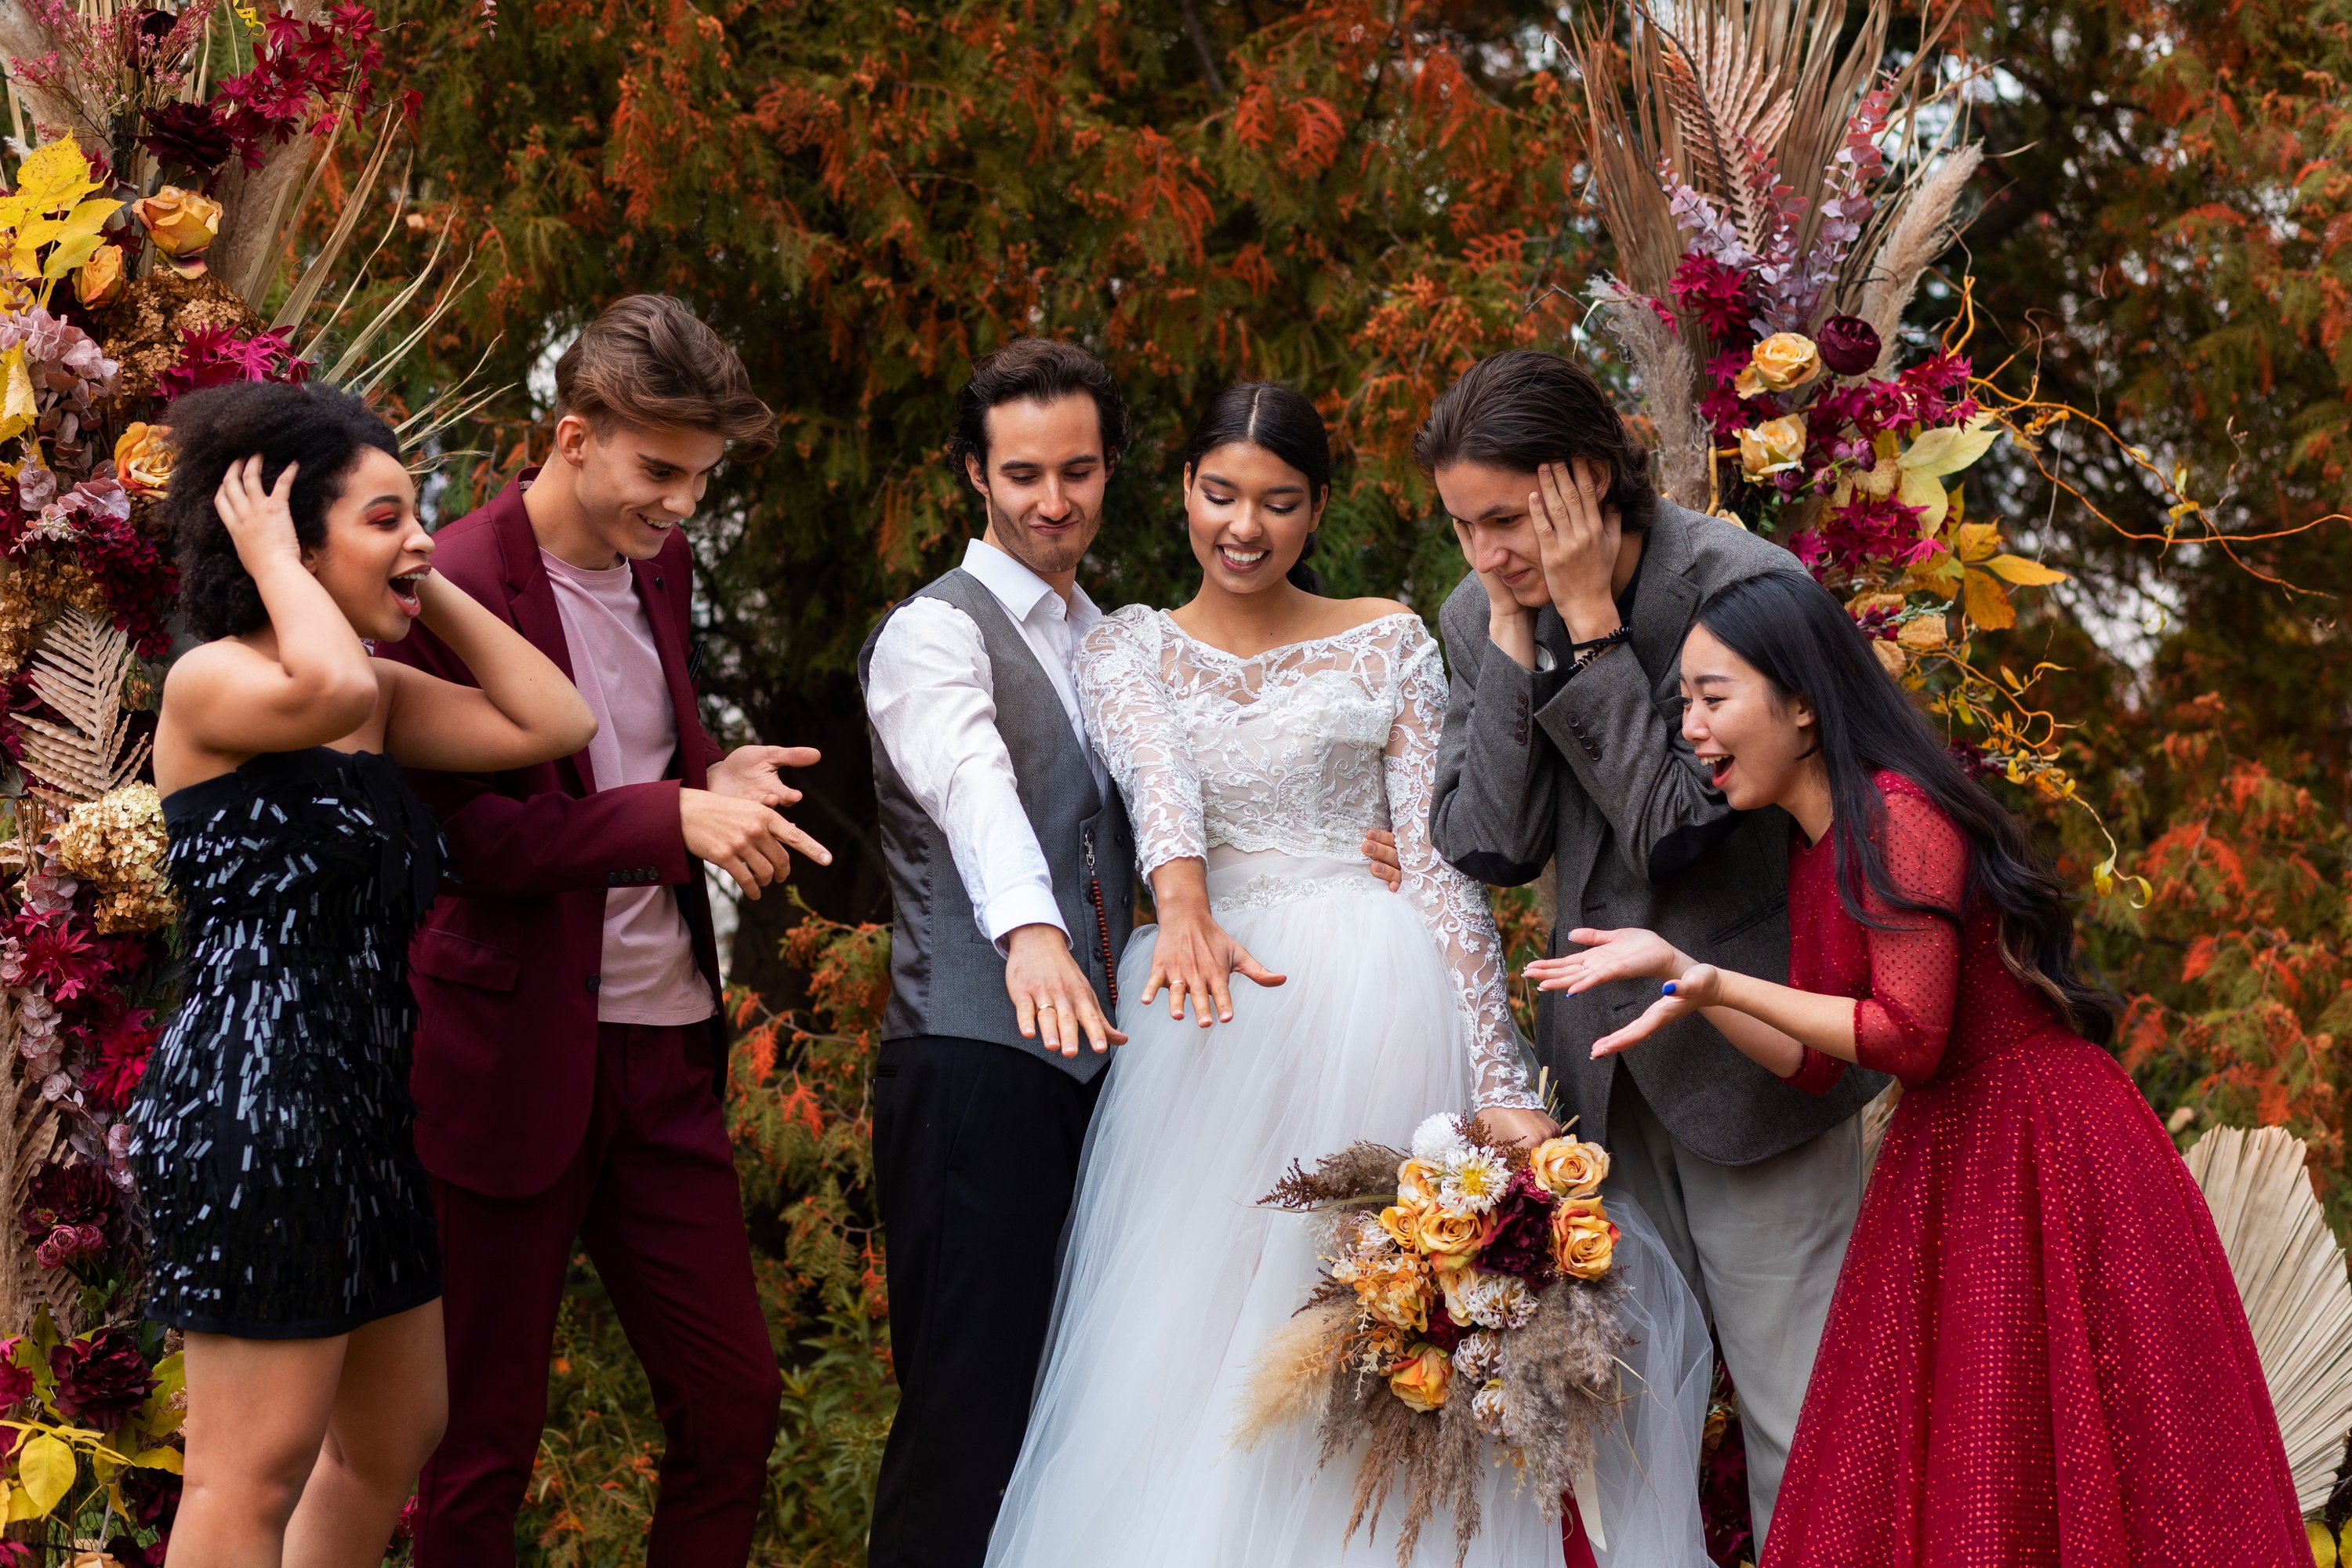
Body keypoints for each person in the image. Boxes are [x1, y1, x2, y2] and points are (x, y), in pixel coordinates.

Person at [982, 383, 1711, 1566]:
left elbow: (1439, 865)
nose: (1244, 527)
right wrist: (1184, 907)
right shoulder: (1124, 648)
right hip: (1217, 1003)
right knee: (1198, 1339)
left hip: (1386, 998)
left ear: (1318, 509)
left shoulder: (1390, 636)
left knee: (1389, 1333)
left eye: (1278, 502)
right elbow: (1158, 786)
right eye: (1220, 495)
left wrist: (1500, 1066)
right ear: (1182, 492)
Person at [1532, 569, 2308, 1564]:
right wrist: (1695, 987)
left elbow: (1908, 1034)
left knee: (2061, 1450)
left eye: (1712, 697)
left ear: (1803, 701)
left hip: (2046, 1143)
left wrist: (1716, 972)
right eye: (1684, 701)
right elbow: (1816, 1065)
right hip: (1956, 1144)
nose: (1691, 728)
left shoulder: (1897, 813)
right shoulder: (1815, 843)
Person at [375, 295, 828, 1566]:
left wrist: (710, 778)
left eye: (701, 476)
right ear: (573, 436)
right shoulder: (456, 578)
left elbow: (638, 763)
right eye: (660, 470)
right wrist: (665, 815)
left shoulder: (662, 566)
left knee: (735, 1401)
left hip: (664, 1058)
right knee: (479, 1447)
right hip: (508, 1062)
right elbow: (470, 843)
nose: (682, 504)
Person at [1416, 348, 1882, 1541]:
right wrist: (1522, 635)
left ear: (1582, 484)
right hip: (1598, 1091)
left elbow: (1676, 831)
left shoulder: (1745, 586)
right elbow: (1486, 842)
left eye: (1509, 521)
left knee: (1801, 1423)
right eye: (1464, 527)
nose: (1485, 555)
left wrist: (1590, 620)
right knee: (1624, 1446)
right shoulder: (1481, 612)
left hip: (1752, 1073)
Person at [135, 381, 598, 1566]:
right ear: (289, 537)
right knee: (256, 1467)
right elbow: (326, 686)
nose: (420, 536)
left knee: (395, 1431)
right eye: (386, 517)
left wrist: (415, 574)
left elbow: (553, 722)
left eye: (421, 514)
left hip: (364, 1100)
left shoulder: (380, 696)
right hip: (254, 1094)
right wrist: (279, 559)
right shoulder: (217, 682)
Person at [858, 337, 1137, 1568]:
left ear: (1110, 470)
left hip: (1116, 1081)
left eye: (1078, 470)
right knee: (964, 1429)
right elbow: (975, 786)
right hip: (972, 1067)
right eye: (1024, 474)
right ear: (976, 474)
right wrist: (1032, 933)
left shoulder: (1119, 639)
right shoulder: (933, 634)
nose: (1053, 501)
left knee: (1078, 1425)